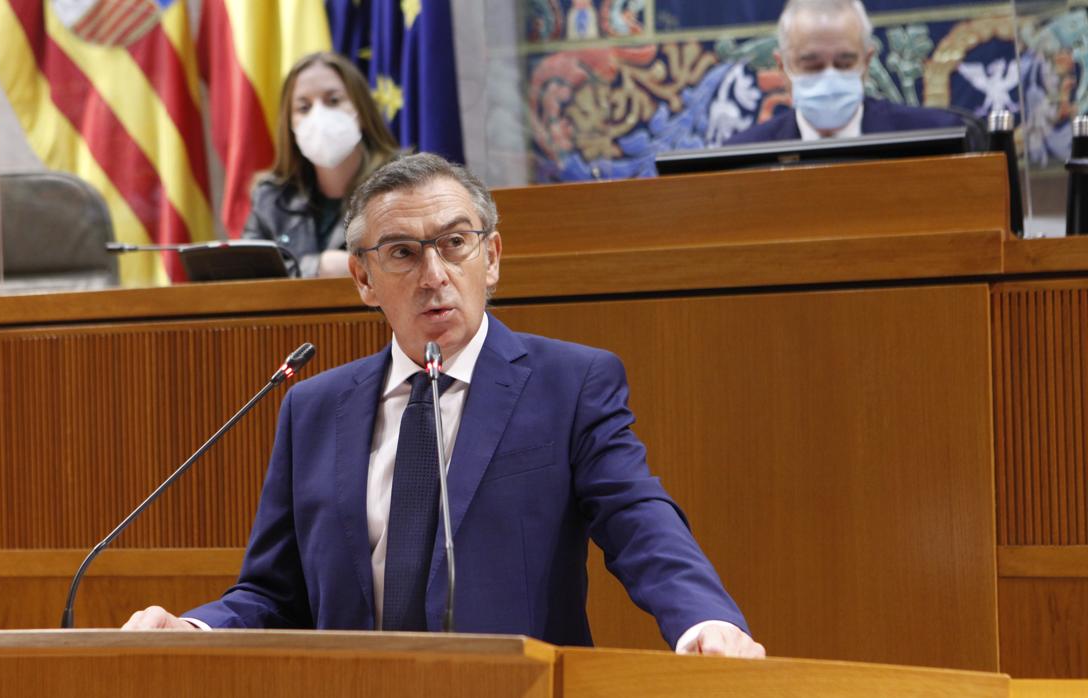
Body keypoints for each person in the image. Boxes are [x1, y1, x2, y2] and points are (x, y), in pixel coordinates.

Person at [123, 153, 764, 659]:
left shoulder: (569, 384)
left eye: (455, 243)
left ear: (491, 258)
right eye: (402, 252)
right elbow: (272, 591)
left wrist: (704, 619)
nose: (434, 274)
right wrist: (194, 626)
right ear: (363, 280)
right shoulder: (312, 408)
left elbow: (636, 518)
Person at [243, 52, 399, 278]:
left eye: (333, 101)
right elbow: (247, 276)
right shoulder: (271, 197)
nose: (319, 116)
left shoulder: (402, 184)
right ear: (290, 125)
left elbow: (409, 262)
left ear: (362, 111)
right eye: (304, 107)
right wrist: (318, 267)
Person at [726, 0, 961, 144]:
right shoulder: (742, 157)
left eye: (844, 63)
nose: (830, 76)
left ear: (866, 63)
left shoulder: (933, 139)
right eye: (812, 65)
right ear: (782, 68)